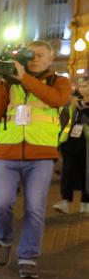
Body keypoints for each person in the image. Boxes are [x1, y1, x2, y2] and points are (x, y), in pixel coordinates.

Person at [0, 40, 71, 278]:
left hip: (41, 155)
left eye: (40, 55)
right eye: (30, 55)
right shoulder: (10, 81)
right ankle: (4, 241)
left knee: (35, 208)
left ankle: (28, 257)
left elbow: (56, 99)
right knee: (0, 204)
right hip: (7, 152)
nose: (35, 59)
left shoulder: (59, 82)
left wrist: (23, 77)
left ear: (50, 59)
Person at [55, 76, 89, 213]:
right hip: (70, 142)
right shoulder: (70, 102)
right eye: (82, 86)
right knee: (68, 170)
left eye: (87, 86)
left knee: (86, 171)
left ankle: (85, 202)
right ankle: (64, 201)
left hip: (87, 143)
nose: (84, 89)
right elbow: (62, 121)